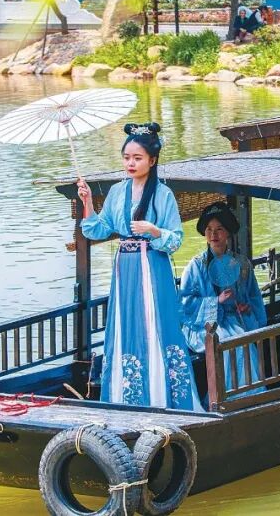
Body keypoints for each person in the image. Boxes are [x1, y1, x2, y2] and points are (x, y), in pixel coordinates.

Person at [75, 122, 202, 411]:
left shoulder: (163, 194)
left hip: (153, 267)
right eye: (126, 158)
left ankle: (162, 398)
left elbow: (175, 240)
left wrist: (153, 230)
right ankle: (125, 398)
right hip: (125, 269)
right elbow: (97, 229)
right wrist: (87, 202)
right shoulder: (117, 192)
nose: (130, 163)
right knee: (125, 323)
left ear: (152, 160)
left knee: (155, 322)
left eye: (137, 158)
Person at [180, 203, 267, 398]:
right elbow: (185, 305)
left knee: (242, 339)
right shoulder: (195, 266)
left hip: (235, 320)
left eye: (219, 229)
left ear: (227, 232)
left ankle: (249, 395)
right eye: (209, 229)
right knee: (227, 340)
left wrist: (246, 308)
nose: (213, 234)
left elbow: (254, 297)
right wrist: (215, 301)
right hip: (203, 325)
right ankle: (225, 396)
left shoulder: (242, 264)